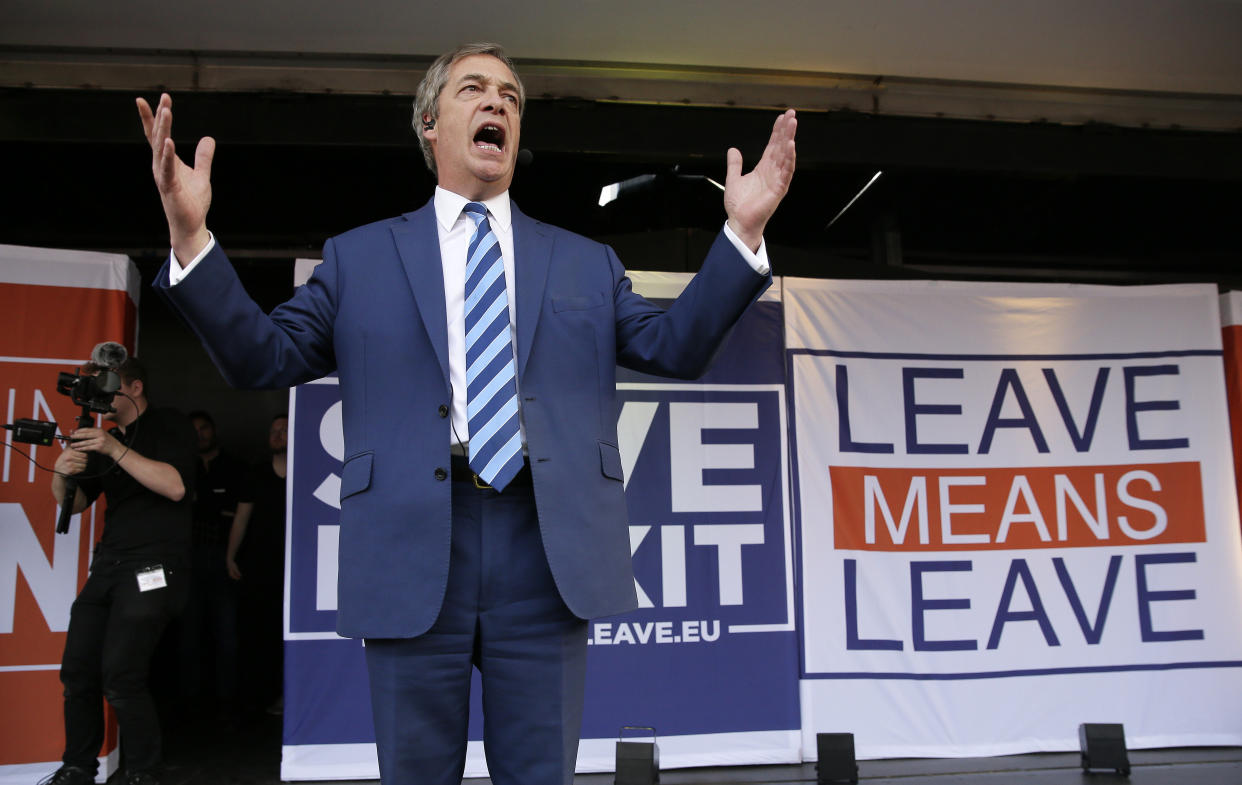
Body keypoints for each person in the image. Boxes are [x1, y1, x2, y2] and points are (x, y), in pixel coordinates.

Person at [137, 41, 795, 785]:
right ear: (429, 123)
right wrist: (191, 238)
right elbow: (261, 358)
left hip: (545, 551)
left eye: (511, 98)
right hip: (411, 546)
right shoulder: (359, 258)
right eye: (474, 90)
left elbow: (676, 348)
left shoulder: (585, 262)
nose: (497, 105)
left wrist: (741, 234)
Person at [43, 358, 196, 785]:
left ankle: (144, 772)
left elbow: (175, 486)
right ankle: (77, 766)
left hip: (154, 564)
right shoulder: (109, 438)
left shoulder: (169, 425)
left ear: (136, 386)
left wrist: (113, 449)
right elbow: (73, 504)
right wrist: (60, 474)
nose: (102, 397)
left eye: (109, 386)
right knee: (77, 671)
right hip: (109, 563)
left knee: (122, 676)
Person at [178, 410, 245, 713]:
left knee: (227, 635)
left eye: (204, 428)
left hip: (222, 558)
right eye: (195, 430)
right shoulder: (181, 465)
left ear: (214, 430)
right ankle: (191, 702)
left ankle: (227, 704)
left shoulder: (233, 467)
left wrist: (206, 508)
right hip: (186, 558)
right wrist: (217, 510)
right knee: (188, 633)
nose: (200, 435)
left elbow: (238, 515)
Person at [226, 414, 289, 714]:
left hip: (296, 570)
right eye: (273, 430)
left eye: (284, 430)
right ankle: (254, 698)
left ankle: (285, 695)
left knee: (285, 633)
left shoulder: (310, 472)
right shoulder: (257, 473)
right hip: (259, 567)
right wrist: (230, 555)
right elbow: (242, 517)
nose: (276, 435)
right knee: (257, 633)